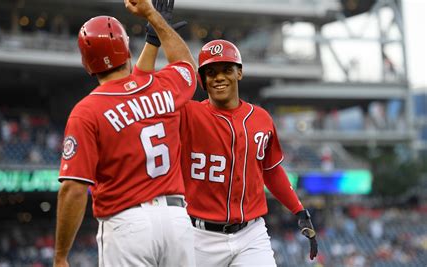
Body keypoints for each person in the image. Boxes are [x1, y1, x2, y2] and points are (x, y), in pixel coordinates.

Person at [135, 37, 318, 265]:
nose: (219, 77)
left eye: (226, 69)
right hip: (198, 236)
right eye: (211, 72)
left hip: (251, 234)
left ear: (239, 73)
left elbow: (270, 170)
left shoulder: (261, 119)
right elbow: (141, 90)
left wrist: (299, 211)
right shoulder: (188, 114)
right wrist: (153, 40)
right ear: (202, 80)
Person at [53, 0, 197, 266]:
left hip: (127, 224)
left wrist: (61, 255)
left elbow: (73, 189)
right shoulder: (161, 86)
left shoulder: (87, 111)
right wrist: (154, 17)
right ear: (127, 50)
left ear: (87, 64)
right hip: (176, 220)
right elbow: (186, 65)